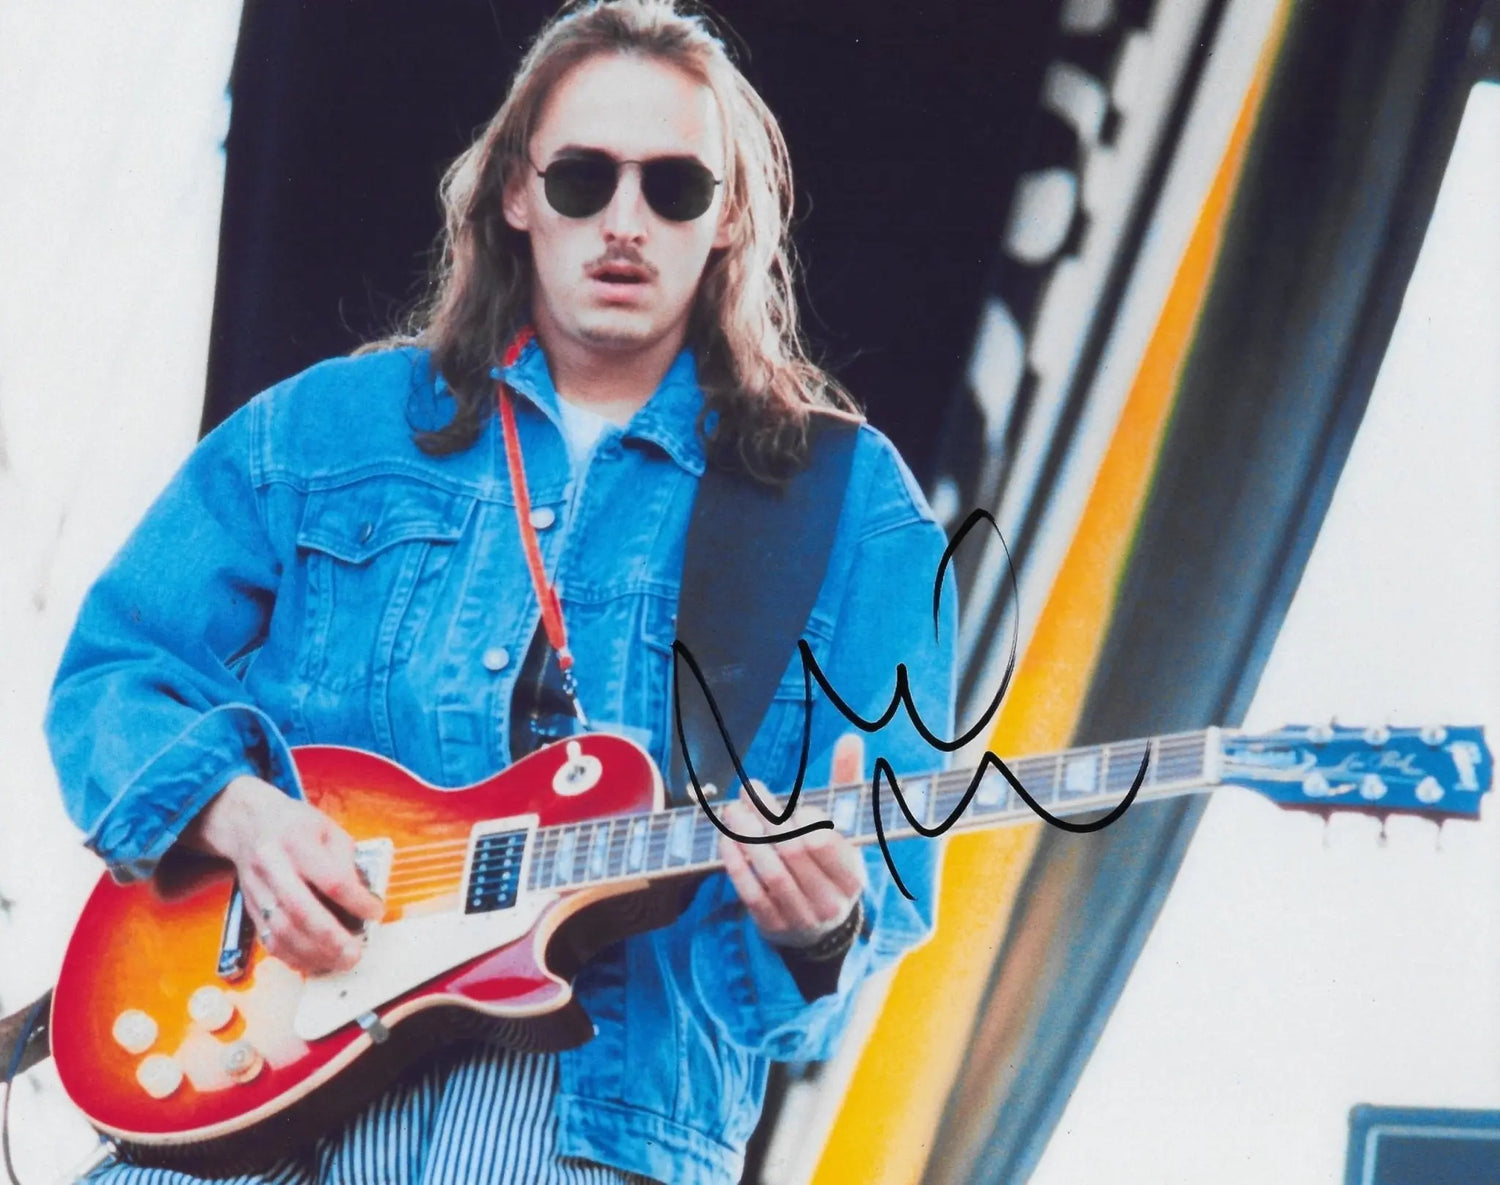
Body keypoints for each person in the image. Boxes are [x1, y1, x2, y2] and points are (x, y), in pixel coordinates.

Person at [46, 1, 956, 1182]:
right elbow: (118, 672)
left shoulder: (848, 505)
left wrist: (817, 928)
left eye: (675, 187)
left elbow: (868, 919)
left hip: (578, 1124)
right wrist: (240, 816)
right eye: (583, 178)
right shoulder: (325, 429)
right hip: (251, 1073)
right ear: (516, 192)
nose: (624, 221)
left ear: (729, 215)